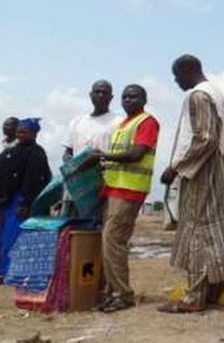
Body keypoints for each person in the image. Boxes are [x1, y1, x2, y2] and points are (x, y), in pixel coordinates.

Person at [157, 55, 224, 313]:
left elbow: (205, 139)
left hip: (205, 173)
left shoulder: (198, 96)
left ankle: (194, 298)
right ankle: (213, 290)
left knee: (197, 231)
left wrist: (176, 167)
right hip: (222, 170)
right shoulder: (216, 93)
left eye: (177, 76)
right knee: (217, 231)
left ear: (187, 70)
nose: (176, 82)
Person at [92, 84, 160, 313]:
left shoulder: (147, 122)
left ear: (144, 99)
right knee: (108, 242)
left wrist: (103, 157)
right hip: (114, 188)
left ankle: (122, 293)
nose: (128, 99)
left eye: (134, 96)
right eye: (125, 96)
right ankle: (113, 292)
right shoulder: (123, 124)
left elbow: (136, 153)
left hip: (129, 189)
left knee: (113, 240)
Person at [0, 118, 51, 283]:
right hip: (4, 202)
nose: (20, 135)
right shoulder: (11, 151)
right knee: (2, 238)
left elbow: (35, 181)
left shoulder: (36, 153)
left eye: (24, 132)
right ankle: (3, 273)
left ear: (34, 134)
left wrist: (26, 203)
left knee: (14, 239)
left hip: (20, 202)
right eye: (19, 131)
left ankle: (15, 275)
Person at [62, 80, 121, 161]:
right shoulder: (76, 122)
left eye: (105, 92)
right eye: (97, 92)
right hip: (80, 172)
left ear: (111, 97)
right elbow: (68, 152)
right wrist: (69, 161)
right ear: (91, 95)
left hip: (108, 172)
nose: (101, 95)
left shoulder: (120, 122)